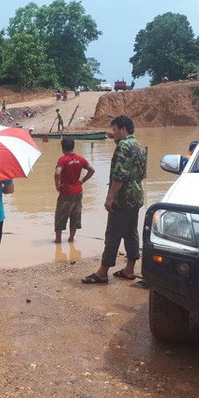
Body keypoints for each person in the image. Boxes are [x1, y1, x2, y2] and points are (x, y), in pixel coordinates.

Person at [82, 116, 146, 284]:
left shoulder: (123, 146)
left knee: (113, 234)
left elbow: (120, 175)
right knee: (131, 232)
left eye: (115, 129)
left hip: (123, 198)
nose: (113, 133)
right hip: (136, 196)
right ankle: (129, 269)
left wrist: (110, 198)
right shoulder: (139, 145)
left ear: (123, 129)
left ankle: (103, 272)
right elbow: (141, 173)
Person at [54, 138, 95, 243]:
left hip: (66, 193)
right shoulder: (80, 159)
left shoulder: (62, 160)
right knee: (75, 216)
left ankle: (58, 240)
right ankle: (71, 238)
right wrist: (82, 180)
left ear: (62, 148)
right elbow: (92, 170)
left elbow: (57, 173)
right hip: (78, 192)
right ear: (73, 146)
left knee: (60, 216)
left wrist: (57, 185)